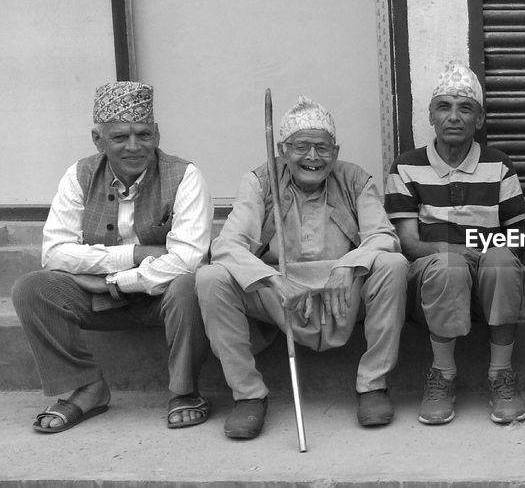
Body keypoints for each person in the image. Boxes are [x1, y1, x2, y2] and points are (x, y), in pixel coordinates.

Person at [196, 96, 408, 439]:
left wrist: (350, 265)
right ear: (282, 150)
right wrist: (271, 279)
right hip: (280, 295)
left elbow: (384, 237)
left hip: (344, 291)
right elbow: (226, 245)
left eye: (322, 148)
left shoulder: (355, 179)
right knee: (211, 277)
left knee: (392, 265)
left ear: (335, 152)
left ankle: (373, 385)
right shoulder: (260, 181)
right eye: (301, 147)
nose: (312, 157)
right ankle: (248, 395)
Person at [13, 81, 213, 433]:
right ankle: (87, 387)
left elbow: (187, 259)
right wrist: (134, 254)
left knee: (190, 285)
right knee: (32, 288)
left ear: (157, 134)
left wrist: (111, 281)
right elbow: (55, 253)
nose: (134, 147)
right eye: (120, 137)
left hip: (160, 296)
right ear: (98, 139)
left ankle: (185, 391)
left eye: (144, 135)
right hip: (98, 299)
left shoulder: (185, 176)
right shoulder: (79, 175)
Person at [385, 61, 525, 425]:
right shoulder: (405, 168)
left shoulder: (499, 166)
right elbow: (407, 243)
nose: (454, 117)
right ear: (431, 115)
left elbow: (521, 237)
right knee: (449, 266)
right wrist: (451, 250)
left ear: (479, 120)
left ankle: (501, 375)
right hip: (433, 276)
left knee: (501, 261)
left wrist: (482, 249)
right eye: (444, 107)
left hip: (486, 273)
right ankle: (442, 375)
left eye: (465, 108)